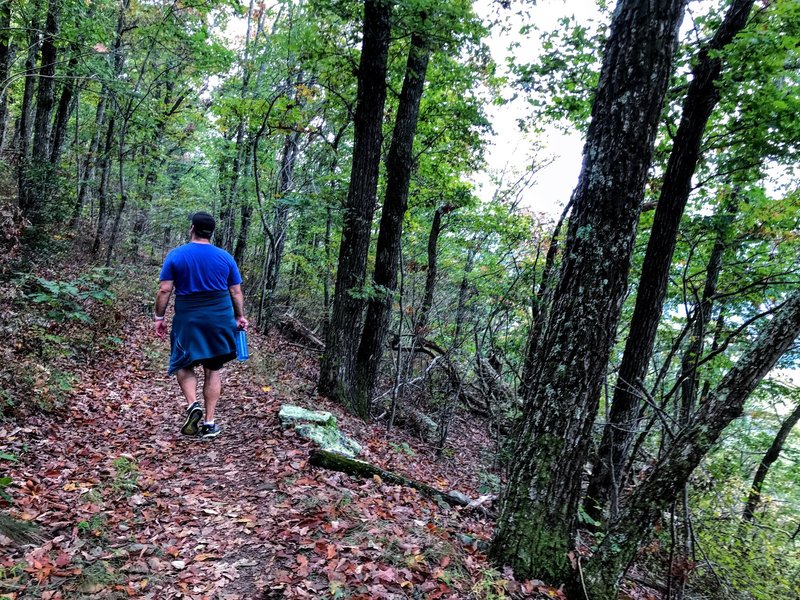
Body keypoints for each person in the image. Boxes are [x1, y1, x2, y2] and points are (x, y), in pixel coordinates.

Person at [153, 211, 248, 439]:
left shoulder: (177, 255)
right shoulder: (225, 257)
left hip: (189, 318)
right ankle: (209, 422)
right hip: (220, 318)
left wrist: (159, 317)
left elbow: (165, 289)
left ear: (192, 228)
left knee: (185, 363)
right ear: (211, 233)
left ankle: (192, 404)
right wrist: (239, 316)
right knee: (213, 369)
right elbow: (235, 292)